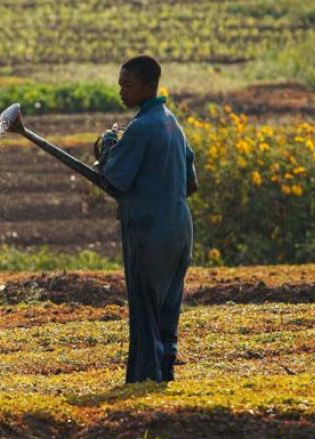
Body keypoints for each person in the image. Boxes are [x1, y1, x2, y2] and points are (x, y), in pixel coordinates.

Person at [97, 54, 197, 384]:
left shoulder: (141, 127)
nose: (122, 92)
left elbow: (115, 177)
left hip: (150, 232)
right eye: (120, 85)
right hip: (179, 230)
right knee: (167, 309)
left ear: (149, 86)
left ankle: (143, 378)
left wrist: (109, 144)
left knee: (145, 311)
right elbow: (190, 183)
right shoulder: (172, 123)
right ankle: (164, 373)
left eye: (128, 85)